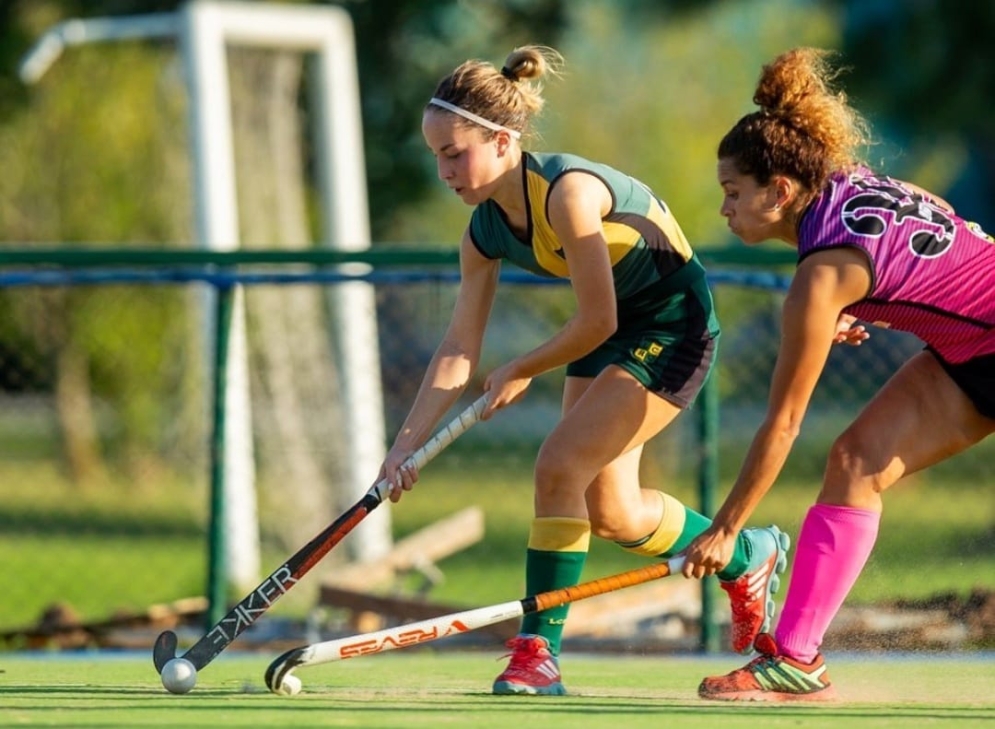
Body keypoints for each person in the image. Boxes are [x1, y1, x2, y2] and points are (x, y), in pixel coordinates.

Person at [378, 44, 789, 697]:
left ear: (503, 141)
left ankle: (537, 652)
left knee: (558, 464)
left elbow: (596, 319)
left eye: (454, 153)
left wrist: (522, 366)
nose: (444, 171)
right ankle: (747, 556)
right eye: (436, 156)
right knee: (614, 513)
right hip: (612, 329)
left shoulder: (567, 194)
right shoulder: (483, 233)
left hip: (671, 326)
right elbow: (458, 347)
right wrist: (403, 449)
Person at [685, 47, 995, 702]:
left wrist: (727, 527)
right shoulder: (849, 183)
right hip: (970, 350)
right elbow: (936, 218)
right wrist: (865, 300)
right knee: (856, 461)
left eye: (733, 193)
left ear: (780, 191)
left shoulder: (821, 275)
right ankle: (796, 659)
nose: (725, 210)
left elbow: (783, 423)